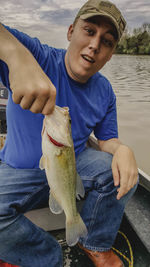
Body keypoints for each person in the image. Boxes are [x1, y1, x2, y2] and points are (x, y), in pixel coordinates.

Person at [0, 0, 138, 266]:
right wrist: (16, 56)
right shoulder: (36, 54)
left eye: (107, 42)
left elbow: (107, 140)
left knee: (119, 170)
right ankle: (47, 256)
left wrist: (122, 149)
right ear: (70, 31)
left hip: (70, 167)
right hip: (18, 170)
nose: (95, 45)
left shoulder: (105, 91)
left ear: (110, 55)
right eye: (88, 30)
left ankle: (94, 243)